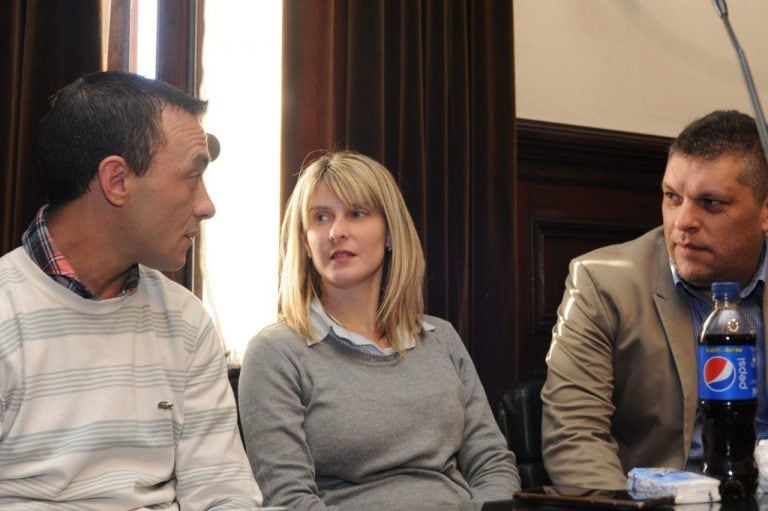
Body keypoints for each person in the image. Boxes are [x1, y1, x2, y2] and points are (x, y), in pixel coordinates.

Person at [0, 71, 262, 510]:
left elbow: (222, 491)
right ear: (117, 180)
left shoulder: (186, 320)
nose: (207, 205)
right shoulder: (7, 307)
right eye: (192, 177)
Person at [239, 150, 520, 510]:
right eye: (321, 218)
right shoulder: (275, 352)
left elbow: (492, 465)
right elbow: (288, 499)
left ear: (390, 233)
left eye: (356, 214)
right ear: (306, 244)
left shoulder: (442, 338)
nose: (337, 232)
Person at [541, 109, 768, 490]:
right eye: (672, 197)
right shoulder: (601, 283)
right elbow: (574, 436)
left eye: (710, 203)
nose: (682, 222)